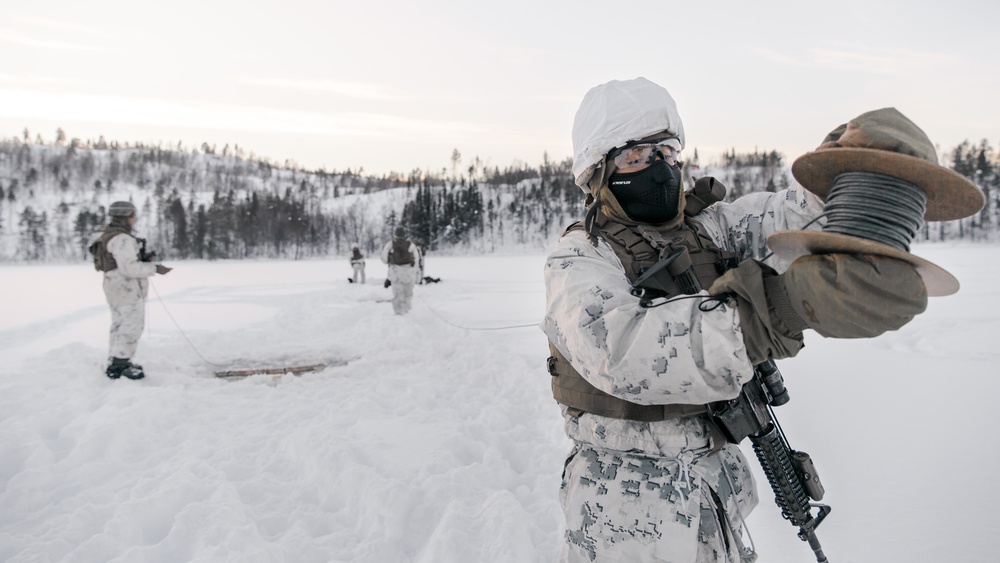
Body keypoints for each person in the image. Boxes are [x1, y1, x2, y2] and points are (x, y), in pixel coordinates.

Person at [542, 78, 934, 562]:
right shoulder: (581, 257)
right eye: (635, 157)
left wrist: (850, 162)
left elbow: (800, 218)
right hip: (624, 510)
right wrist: (770, 313)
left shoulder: (712, 228)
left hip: (714, 486)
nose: (659, 167)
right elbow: (621, 352)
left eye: (666, 150)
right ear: (597, 171)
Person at [90, 201, 172, 380]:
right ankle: (120, 365)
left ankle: (117, 359)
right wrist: (155, 268)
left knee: (119, 324)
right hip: (125, 288)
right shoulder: (122, 239)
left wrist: (143, 259)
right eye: (132, 216)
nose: (134, 219)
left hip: (115, 286)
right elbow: (129, 268)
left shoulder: (110, 235)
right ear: (126, 217)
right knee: (131, 325)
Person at [380, 226, 421, 315]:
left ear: (395, 234)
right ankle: (407, 312)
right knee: (408, 294)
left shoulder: (390, 244)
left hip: (395, 273)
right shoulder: (411, 245)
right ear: (404, 234)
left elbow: (384, 259)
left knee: (397, 294)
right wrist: (415, 272)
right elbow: (417, 260)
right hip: (408, 273)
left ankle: (398, 313)